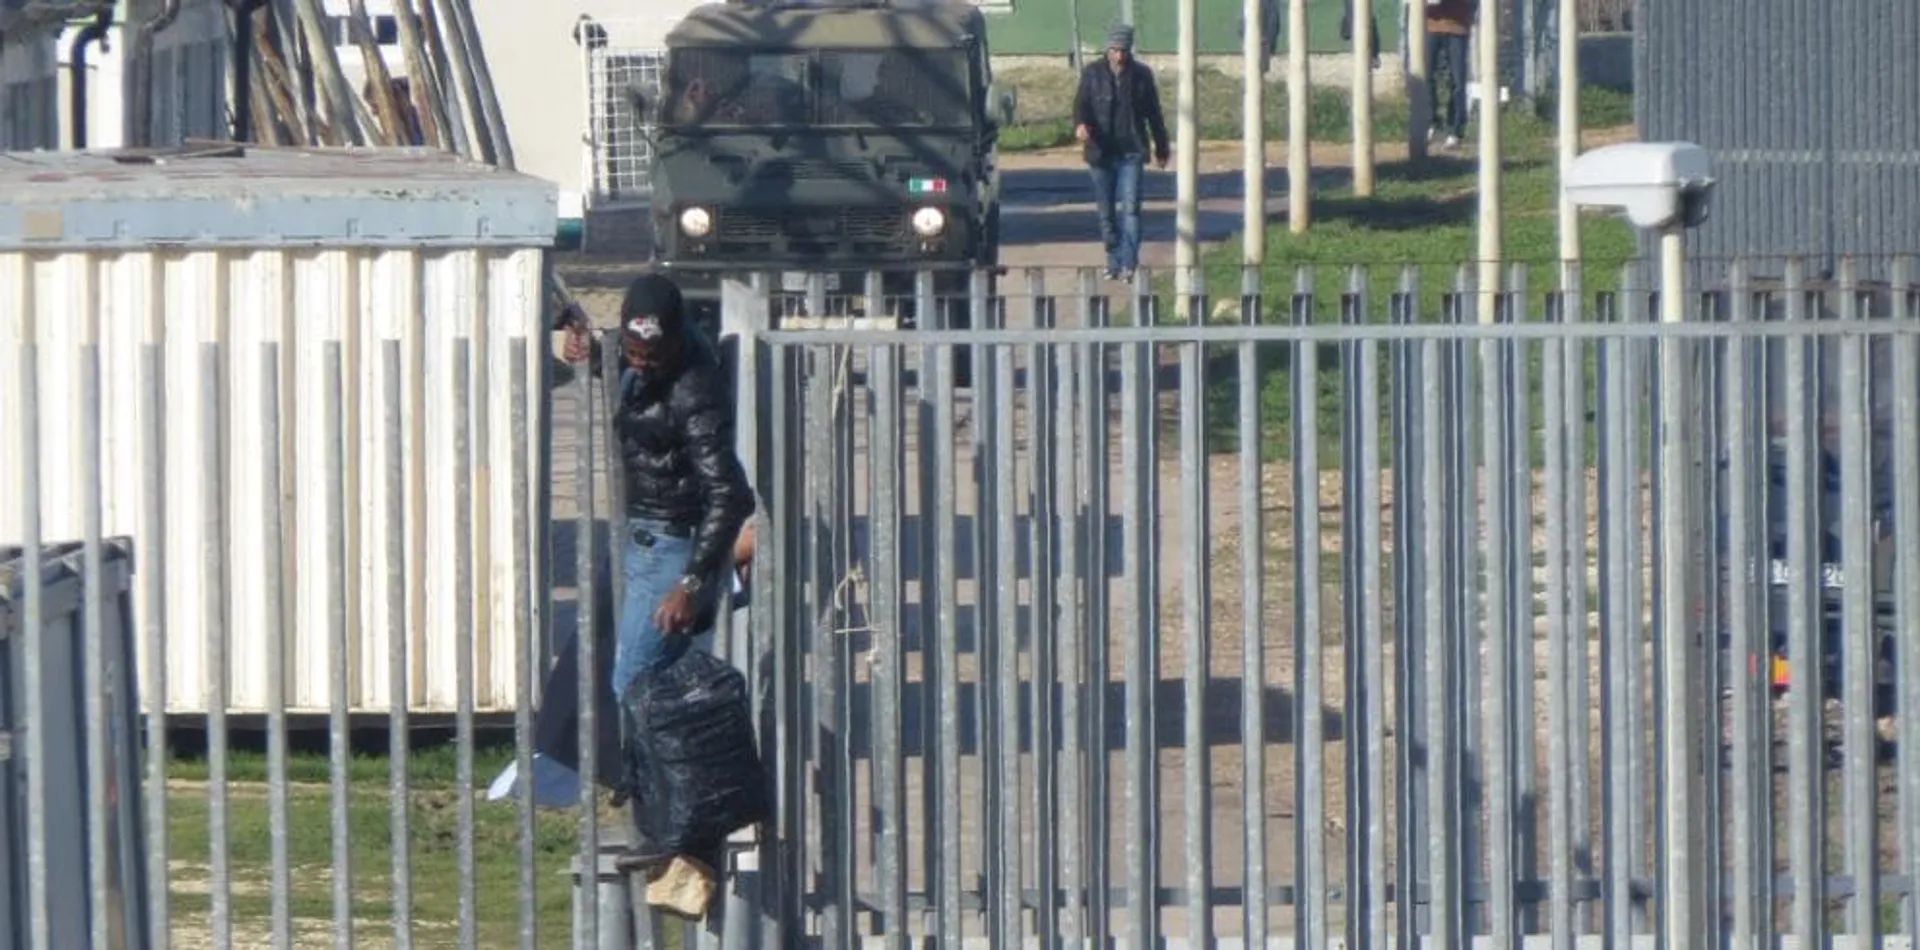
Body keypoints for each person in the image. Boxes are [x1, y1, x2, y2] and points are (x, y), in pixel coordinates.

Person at [562, 274, 757, 702]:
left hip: (671, 546)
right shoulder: (640, 358)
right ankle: (655, 768)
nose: (641, 363)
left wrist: (689, 585)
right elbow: (633, 377)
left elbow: (731, 493)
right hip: (645, 540)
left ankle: (652, 771)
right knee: (647, 683)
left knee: (634, 683)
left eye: (652, 355)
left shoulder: (694, 389)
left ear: (676, 341)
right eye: (632, 352)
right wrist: (595, 356)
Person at [1072, 24, 1170, 283]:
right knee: (1106, 212)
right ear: (1107, 49)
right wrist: (1081, 125)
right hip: (1101, 152)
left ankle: (1129, 263)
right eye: (1115, 50)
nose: (1119, 56)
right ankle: (1112, 261)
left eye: (1124, 50)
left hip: (1131, 152)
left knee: (1131, 209)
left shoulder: (1141, 75)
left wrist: (1162, 147)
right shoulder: (1092, 73)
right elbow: (1081, 105)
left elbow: (1154, 115)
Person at [1423, 0, 1477, 151]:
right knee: (1424, 76)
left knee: (1457, 80)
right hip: (1430, 24)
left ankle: (1455, 130)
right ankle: (1432, 122)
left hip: (1457, 26)